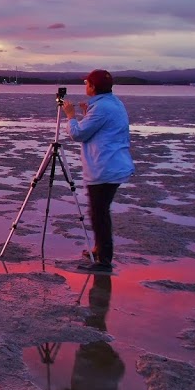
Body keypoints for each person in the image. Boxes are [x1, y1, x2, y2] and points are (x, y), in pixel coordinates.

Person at [61, 69, 134, 273]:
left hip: (105, 167)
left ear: (92, 87)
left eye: (87, 84)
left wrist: (70, 117)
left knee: (99, 213)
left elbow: (78, 134)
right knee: (99, 211)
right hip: (112, 164)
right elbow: (101, 129)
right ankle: (99, 249)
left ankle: (104, 260)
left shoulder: (102, 108)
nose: (86, 87)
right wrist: (86, 114)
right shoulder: (113, 103)